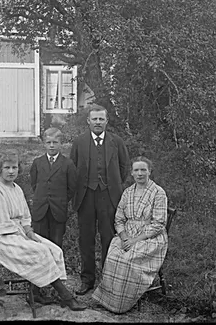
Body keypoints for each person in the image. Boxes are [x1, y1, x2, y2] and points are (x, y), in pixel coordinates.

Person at [0, 150, 86, 310]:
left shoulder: (16, 188)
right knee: (41, 251)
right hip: (3, 237)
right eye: (7, 168)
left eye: (14, 168)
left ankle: (36, 293)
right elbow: (2, 222)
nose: (11, 171)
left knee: (54, 249)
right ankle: (66, 297)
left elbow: (24, 216)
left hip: (19, 232)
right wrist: (23, 236)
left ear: (19, 169)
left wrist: (29, 233)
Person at [91, 157, 168, 313]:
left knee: (127, 260)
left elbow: (159, 224)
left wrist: (135, 240)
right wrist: (124, 237)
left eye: (143, 170)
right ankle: (109, 300)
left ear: (149, 171)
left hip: (150, 237)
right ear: (132, 173)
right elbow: (119, 219)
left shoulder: (158, 193)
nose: (140, 174)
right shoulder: (128, 192)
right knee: (113, 255)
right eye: (136, 170)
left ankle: (122, 304)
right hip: (128, 234)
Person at [70, 104, 130, 295]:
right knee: (86, 239)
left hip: (109, 197)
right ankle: (87, 279)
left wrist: (112, 185)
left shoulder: (116, 141)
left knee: (108, 239)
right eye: (94, 119)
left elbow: (124, 168)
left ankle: (107, 280)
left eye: (101, 119)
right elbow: (72, 168)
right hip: (85, 196)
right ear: (88, 121)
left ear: (106, 121)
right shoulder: (79, 142)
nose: (97, 122)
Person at [30, 127, 77, 249]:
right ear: (44, 144)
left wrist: (61, 199)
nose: (52, 146)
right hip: (40, 209)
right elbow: (34, 184)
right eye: (48, 142)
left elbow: (71, 188)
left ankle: (56, 268)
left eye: (55, 143)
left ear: (61, 144)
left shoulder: (68, 164)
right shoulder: (37, 163)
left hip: (58, 209)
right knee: (40, 244)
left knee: (56, 245)